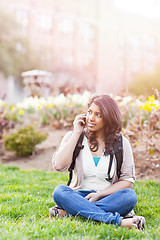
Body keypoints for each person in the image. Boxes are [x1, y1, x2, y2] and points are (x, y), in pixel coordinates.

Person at [50, 94, 146, 229]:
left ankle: (71, 212)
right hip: (78, 195)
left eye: (98, 115)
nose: (91, 118)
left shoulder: (122, 143)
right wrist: (77, 132)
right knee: (60, 191)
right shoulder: (74, 137)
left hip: (108, 197)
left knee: (129, 196)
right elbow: (59, 165)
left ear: (109, 119)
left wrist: (99, 194)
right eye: (89, 112)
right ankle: (118, 221)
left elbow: (127, 182)